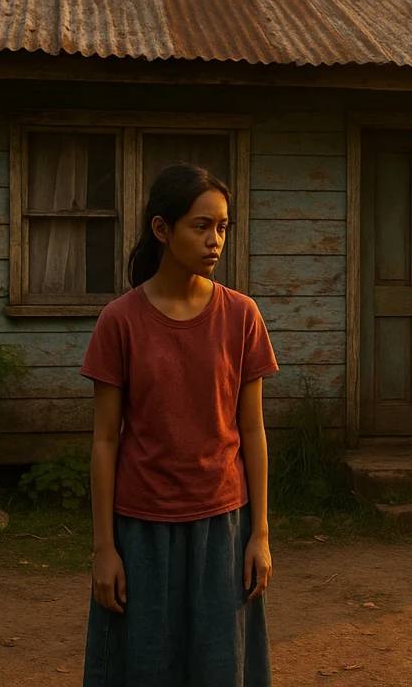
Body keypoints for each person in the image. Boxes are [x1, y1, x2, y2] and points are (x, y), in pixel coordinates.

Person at [80, 163, 278, 686]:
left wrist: (259, 534)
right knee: (144, 668)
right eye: (200, 226)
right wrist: (104, 549)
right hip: (140, 529)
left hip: (223, 525)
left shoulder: (242, 317)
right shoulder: (119, 321)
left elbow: (253, 432)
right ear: (162, 229)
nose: (215, 240)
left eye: (222, 227)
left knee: (219, 668)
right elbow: (104, 441)